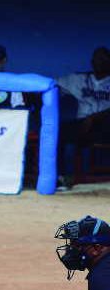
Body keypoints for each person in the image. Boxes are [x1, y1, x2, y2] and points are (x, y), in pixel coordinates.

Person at [57, 47, 110, 189]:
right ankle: (63, 177)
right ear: (92, 62)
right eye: (96, 59)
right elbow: (51, 84)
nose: (99, 62)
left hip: (105, 125)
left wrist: (94, 118)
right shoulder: (79, 79)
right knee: (59, 132)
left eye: (103, 59)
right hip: (83, 125)